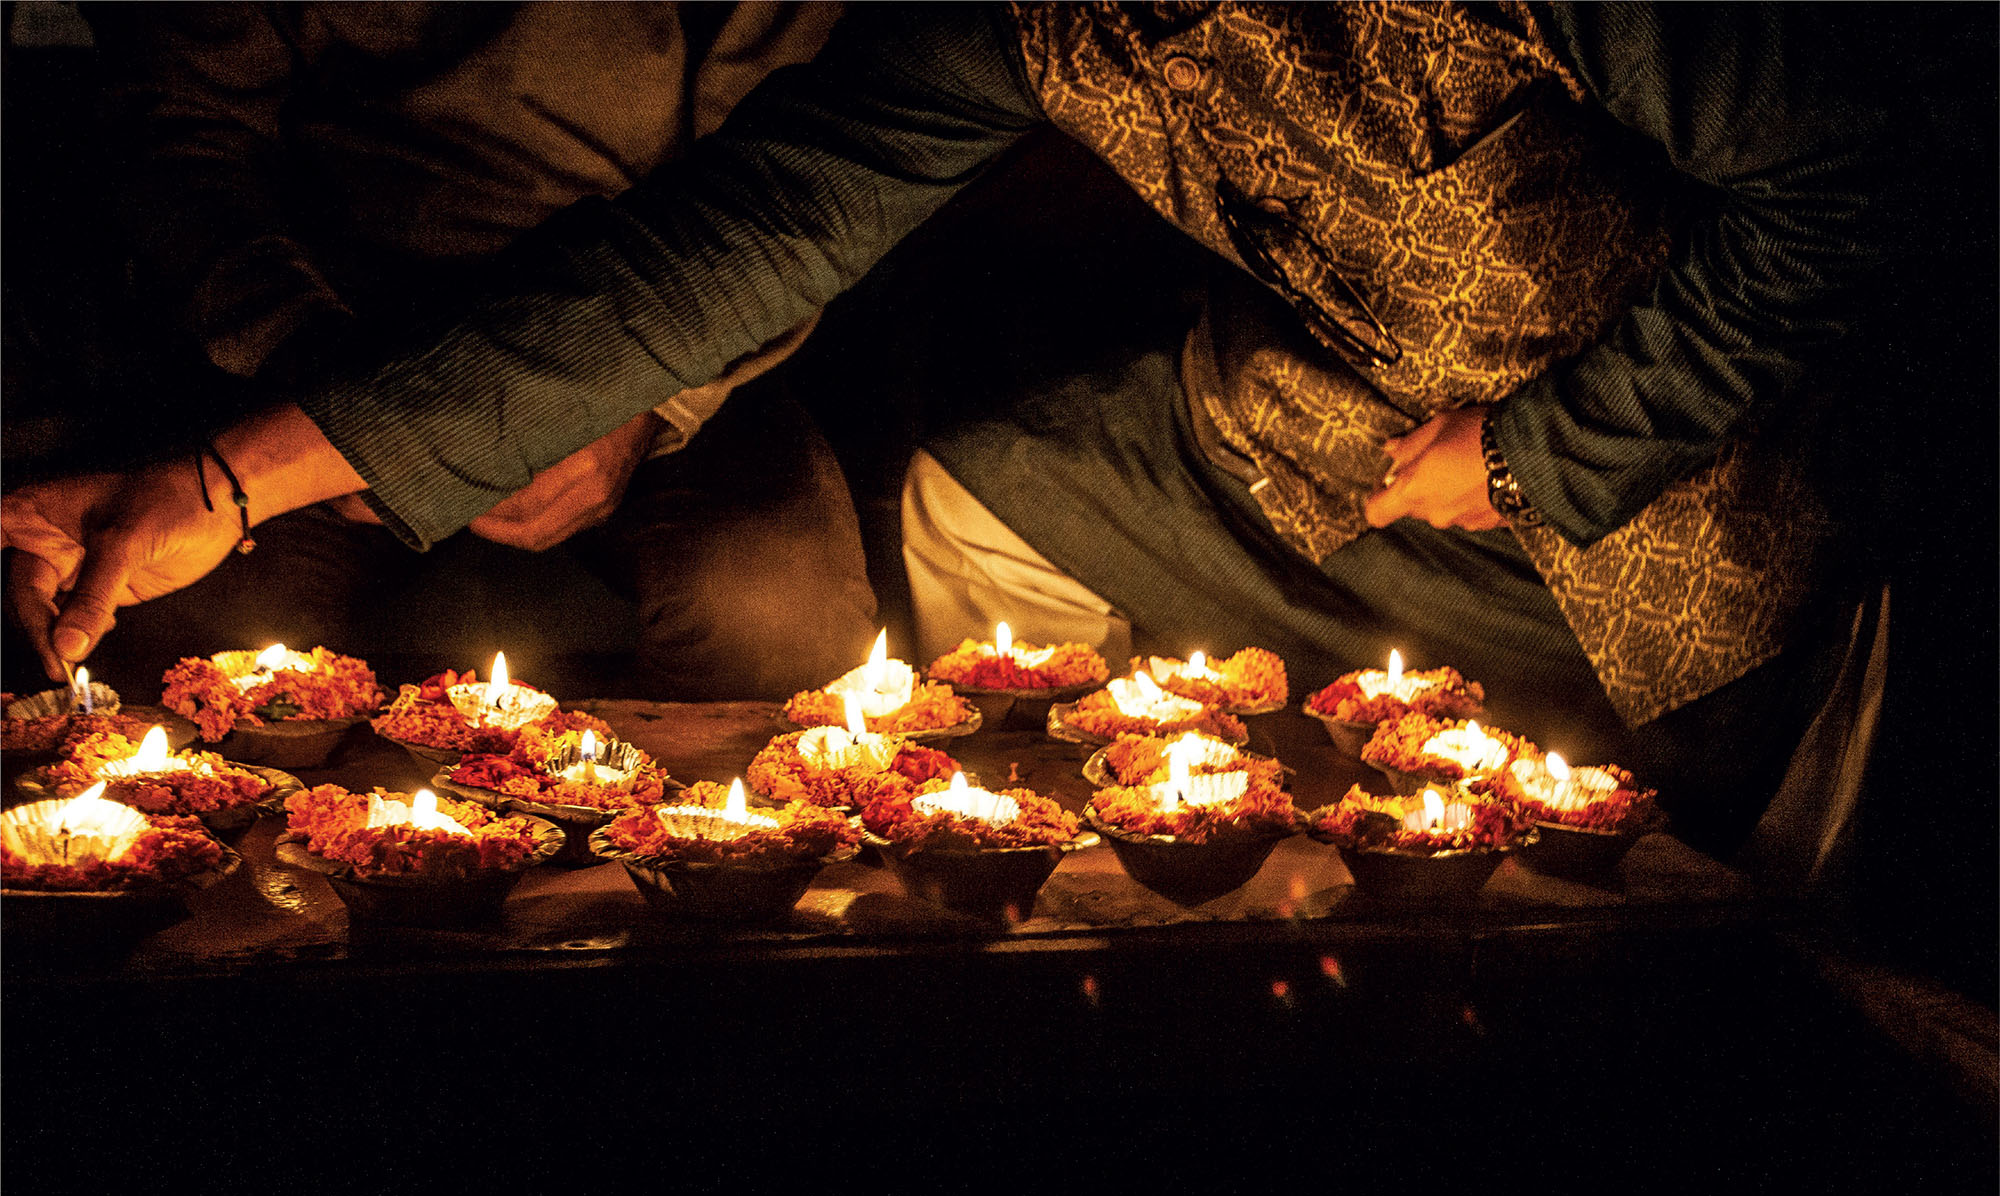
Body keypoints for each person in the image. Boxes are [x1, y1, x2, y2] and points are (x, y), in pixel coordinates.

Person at [5, 3, 1900, 850]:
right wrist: (223, 476)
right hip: (1318, 421)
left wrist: (1543, 456)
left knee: (1678, 784)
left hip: (1666, 494)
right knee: (970, 518)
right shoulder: (1004, 20)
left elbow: (1853, 169)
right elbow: (713, 260)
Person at [61, 0, 877, 697]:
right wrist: (330, 403)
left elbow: (807, 184)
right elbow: (178, 127)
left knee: (776, 611)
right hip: (335, 330)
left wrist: (652, 399)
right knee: (194, 634)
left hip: (683, 329)